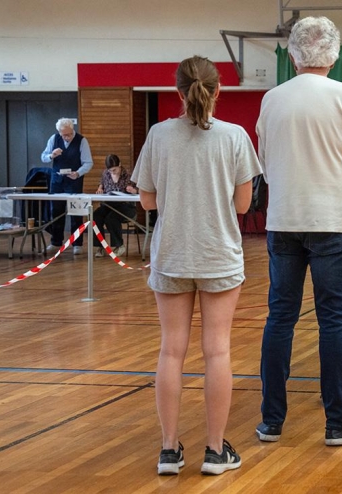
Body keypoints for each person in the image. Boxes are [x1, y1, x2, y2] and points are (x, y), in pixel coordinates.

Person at [132, 56, 261, 476]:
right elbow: (244, 205)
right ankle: (213, 450)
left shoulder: (158, 134)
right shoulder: (236, 136)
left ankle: (169, 450)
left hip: (171, 253)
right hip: (218, 253)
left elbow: (147, 200)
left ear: (178, 91)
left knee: (171, 350)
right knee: (217, 350)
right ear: (218, 90)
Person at [255, 16, 342, 447]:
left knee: (280, 318)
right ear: (335, 54)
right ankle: (337, 421)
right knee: (332, 322)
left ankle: (271, 420)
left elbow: (265, 165)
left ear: (291, 55)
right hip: (332, 222)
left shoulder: (272, 99)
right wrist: (339, 191)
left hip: (283, 221)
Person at [40, 117, 93, 254]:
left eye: (69, 134)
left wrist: (78, 173)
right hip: (56, 182)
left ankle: (77, 244)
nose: (67, 137)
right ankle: (56, 242)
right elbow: (43, 157)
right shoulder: (54, 139)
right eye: (64, 135)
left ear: (72, 129)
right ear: (59, 132)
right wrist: (52, 155)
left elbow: (88, 163)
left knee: (76, 214)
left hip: (74, 181)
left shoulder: (82, 141)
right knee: (56, 212)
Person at [93, 154, 137, 257]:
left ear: (120, 165)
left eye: (115, 170)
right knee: (95, 216)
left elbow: (139, 190)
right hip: (108, 204)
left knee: (111, 218)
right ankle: (101, 246)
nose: (113, 172)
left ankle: (119, 245)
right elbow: (101, 185)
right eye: (110, 170)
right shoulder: (106, 174)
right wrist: (100, 189)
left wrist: (134, 190)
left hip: (126, 206)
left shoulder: (129, 175)